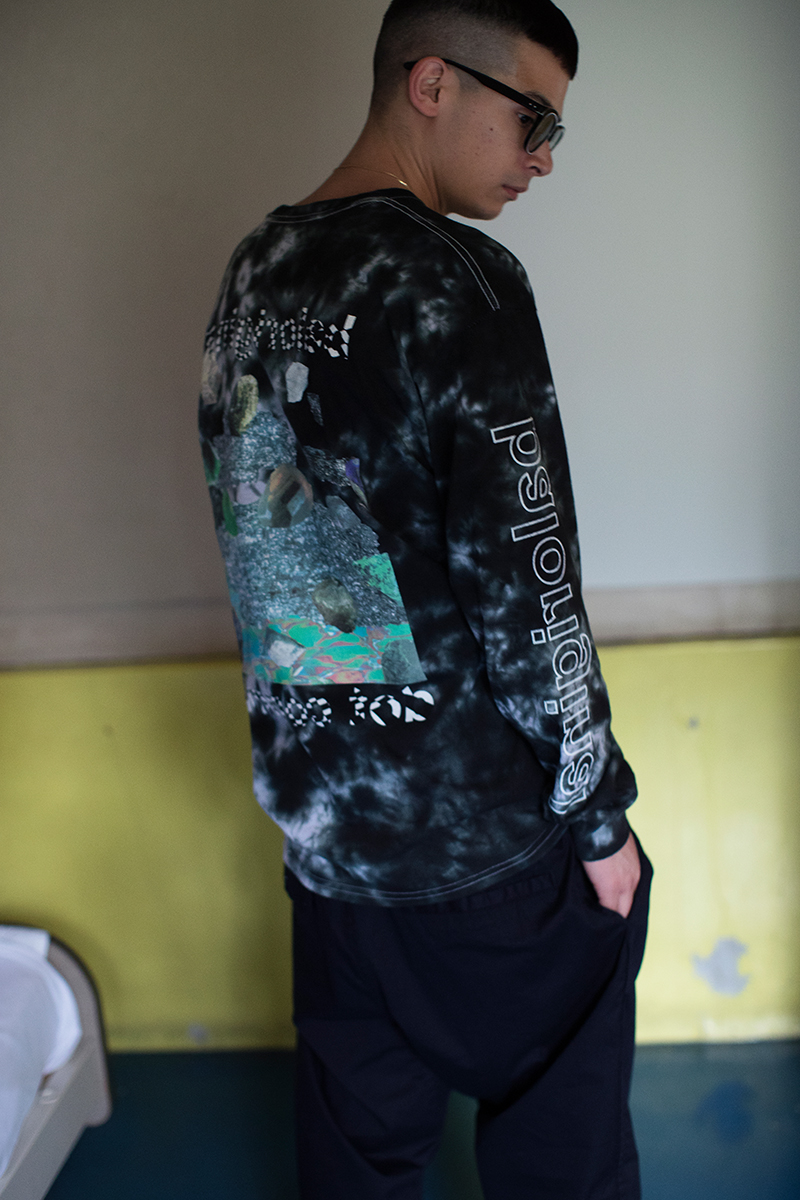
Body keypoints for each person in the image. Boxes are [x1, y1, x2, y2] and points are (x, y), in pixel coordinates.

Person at [199, 1, 651, 1195]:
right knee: (561, 1153)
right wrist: (599, 819)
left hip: (327, 845)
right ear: (433, 83)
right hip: (483, 853)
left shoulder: (253, 270)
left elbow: (275, 553)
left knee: (359, 1162)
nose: (542, 159)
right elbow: (525, 587)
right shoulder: (458, 277)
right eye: (532, 120)